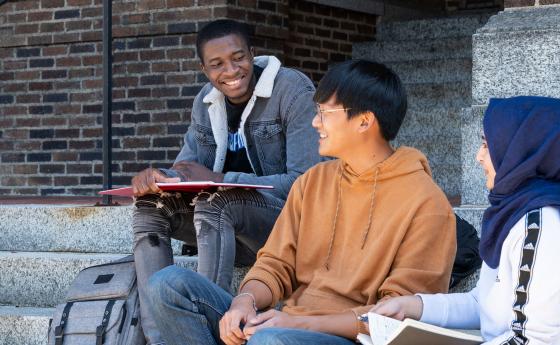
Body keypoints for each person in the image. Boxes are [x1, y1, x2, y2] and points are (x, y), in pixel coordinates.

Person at [145, 59, 457, 345]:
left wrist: (299, 324)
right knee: (169, 285)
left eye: (324, 113)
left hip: (352, 338)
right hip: (288, 325)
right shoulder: (313, 181)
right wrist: (246, 301)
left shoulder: (425, 203)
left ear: (364, 121)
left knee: (272, 342)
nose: (314, 123)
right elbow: (275, 264)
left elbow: (397, 319)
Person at [131, 19, 321, 344]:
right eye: (217, 64)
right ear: (204, 69)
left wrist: (221, 180)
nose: (231, 70)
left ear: (253, 53)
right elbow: (189, 168)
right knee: (150, 206)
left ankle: (217, 330)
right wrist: (161, 179)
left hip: (286, 230)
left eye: (238, 58)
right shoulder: (206, 101)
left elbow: (307, 183)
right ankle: (161, 336)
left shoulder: (292, 91)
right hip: (225, 232)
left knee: (218, 199)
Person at [370, 96, 560, 344]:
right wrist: (412, 306)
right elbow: (481, 303)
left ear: (520, 150)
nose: (478, 157)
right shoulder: (513, 213)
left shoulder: (540, 225)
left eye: (487, 145)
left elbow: (536, 340)